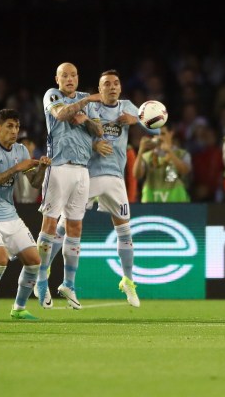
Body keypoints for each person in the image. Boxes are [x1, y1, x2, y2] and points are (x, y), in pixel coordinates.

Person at [47, 70, 159, 308]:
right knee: (64, 225)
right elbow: (76, 128)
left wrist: (136, 120)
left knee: (125, 231)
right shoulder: (91, 105)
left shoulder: (128, 107)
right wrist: (94, 142)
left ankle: (128, 281)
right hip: (88, 175)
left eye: (116, 83)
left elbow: (157, 128)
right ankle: (44, 270)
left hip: (116, 178)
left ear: (120, 88)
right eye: (106, 84)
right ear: (99, 88)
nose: (112, 87)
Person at [33, 62, 103, 310]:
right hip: (58, 166)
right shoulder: (52, 95)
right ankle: (41, 280)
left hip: (82, 169)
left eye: (73, 75)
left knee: (75, 227)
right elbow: (60, 115)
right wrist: (82, 105)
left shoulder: (86, 100)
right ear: (57, 78)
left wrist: (84, 120)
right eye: (65, 75)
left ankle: (68, 285)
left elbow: (99, 130)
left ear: (78, 77)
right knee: (50, 225)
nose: (69, 79)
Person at [0, 108, 50, 321]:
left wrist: (41, 168)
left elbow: (34, 183)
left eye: (17, 127)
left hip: (10, 215)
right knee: (0, 260)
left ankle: (19, 308)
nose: (14, 131)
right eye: (9, 126)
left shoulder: (21, 150)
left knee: (34, 260)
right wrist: (16, 168)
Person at [134, 124, 192, 203]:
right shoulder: (146, 156)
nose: (160, 137)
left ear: (171, 133)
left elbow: (185, 171)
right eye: (157, 134)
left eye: (163, 134)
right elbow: (136, 175)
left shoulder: (182, 154)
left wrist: (170, 152)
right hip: (151, 203)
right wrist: (140, 152)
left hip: (176, 203)